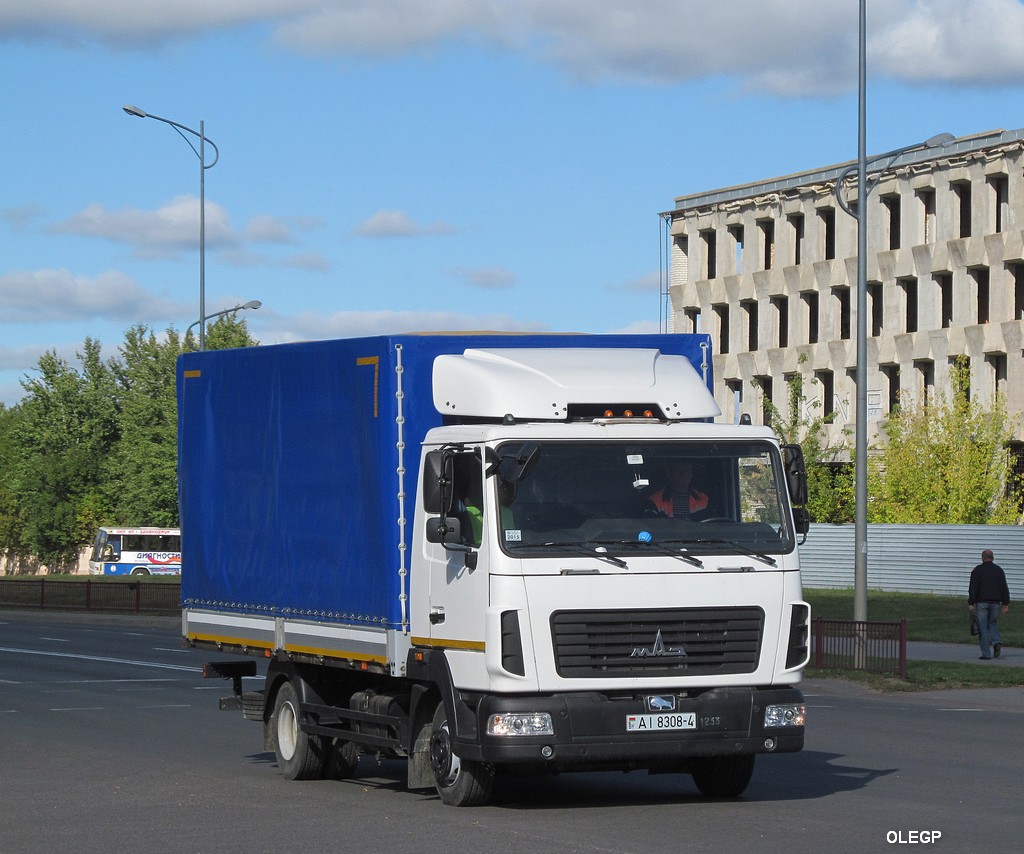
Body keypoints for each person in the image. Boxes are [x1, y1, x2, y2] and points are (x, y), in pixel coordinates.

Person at [968, 549, 1010, 660]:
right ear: (993, 558)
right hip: (995, 603)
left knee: (982, 628)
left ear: (982, 558)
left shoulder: (977, 570)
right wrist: (1005, 603)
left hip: (982, 602)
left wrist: (971, 602)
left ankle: (986, 654)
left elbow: (973, 588)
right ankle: (997, 642)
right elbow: (1004, 587)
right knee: (992, 624)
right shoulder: (999, 570)